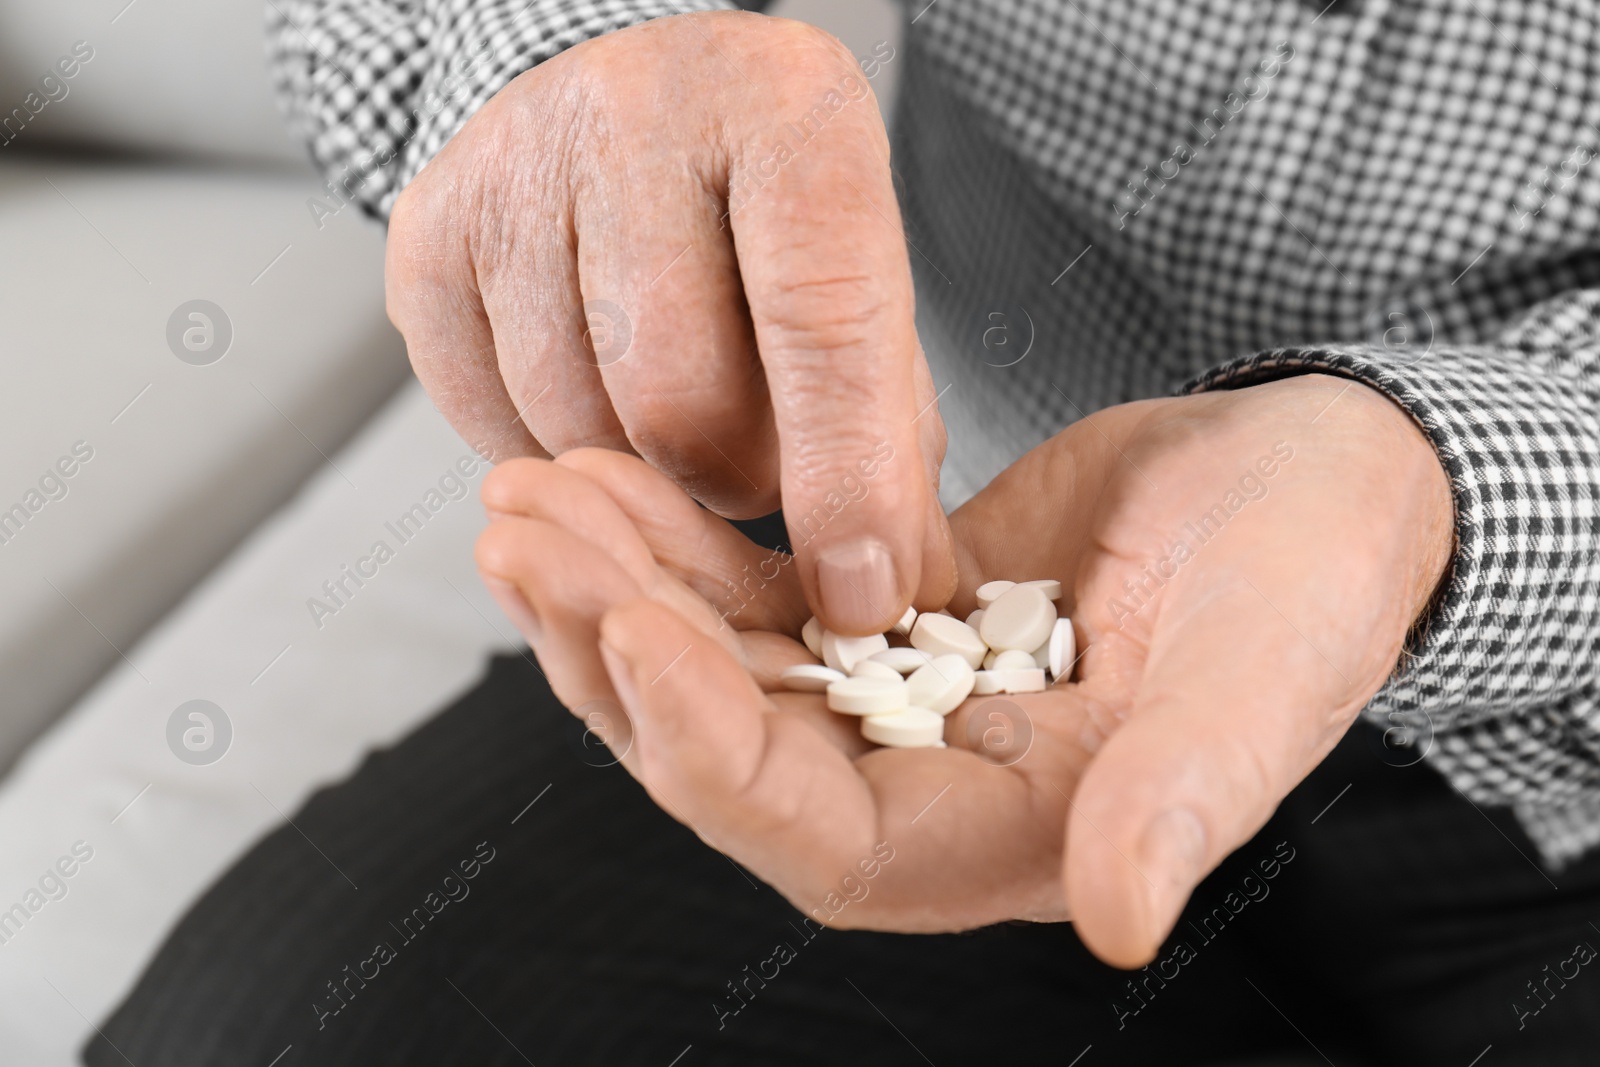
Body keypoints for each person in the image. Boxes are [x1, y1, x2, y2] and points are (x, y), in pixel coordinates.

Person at [88, 2, 1600, 1064]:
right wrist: (567, 54)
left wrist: (1429, 488)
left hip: (1565, 708)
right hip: (978, 598)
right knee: (277, 1032)